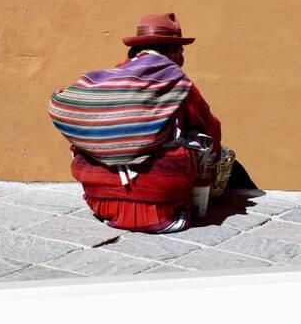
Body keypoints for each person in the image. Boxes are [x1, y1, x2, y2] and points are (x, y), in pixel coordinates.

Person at [51, 13, 221, 233]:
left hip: (100, 202)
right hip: (162, 208)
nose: (182, 56)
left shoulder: (111, 80)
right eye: (180, 50)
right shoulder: (178, 83)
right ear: (170, 51)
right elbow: (210, 128)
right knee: (198, 143)